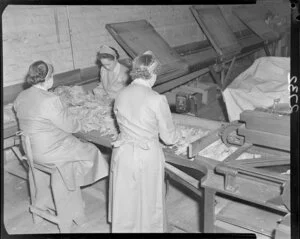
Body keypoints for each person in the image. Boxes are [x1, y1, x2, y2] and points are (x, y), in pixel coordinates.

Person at [14, 61, 109, 221]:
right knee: (91, 150)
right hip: (49, 153)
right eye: (52, 76)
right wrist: (79, 121)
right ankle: (72, 197)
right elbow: (70, 126)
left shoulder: (21, 96)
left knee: (74, 145)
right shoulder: (50, 99)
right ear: (47, 78)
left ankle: (63, 193)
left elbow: (36, 120)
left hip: (30, 151)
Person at [108, 51, 180, 233]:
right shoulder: (157, 98)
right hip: (146, 154)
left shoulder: (120, 95)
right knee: (149, 199)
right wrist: (178, 134)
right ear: (153, 73)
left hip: (123, 152)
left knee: (126, 199)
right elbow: (169, 138)